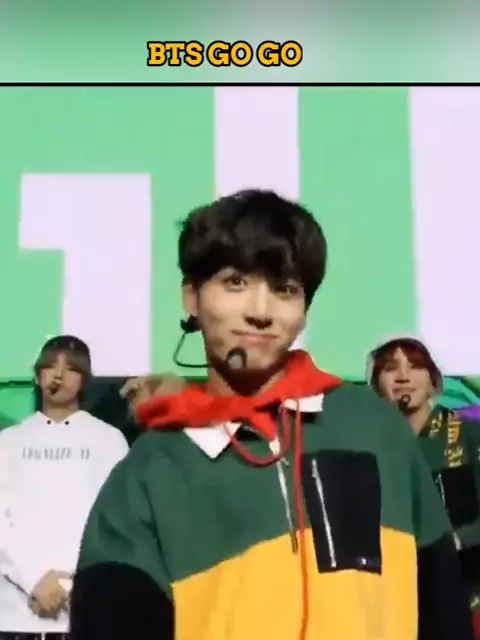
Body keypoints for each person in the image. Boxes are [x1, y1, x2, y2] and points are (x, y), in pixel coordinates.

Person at [71, 190, 473, 640]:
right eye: (235, 282)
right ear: (191, 296)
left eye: (285, 289)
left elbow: (442, 609)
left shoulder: (375, 429)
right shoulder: (150, 471)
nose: (260, 312)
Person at [0, 335, 129, 640]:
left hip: (86, 608)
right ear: (37, 375)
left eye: (71, 368)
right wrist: (32, 579)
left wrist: (72, 583)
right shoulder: (8, 441)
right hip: (16, 612)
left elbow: (118, 521)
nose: (58, 375)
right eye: (50, 366)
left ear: (84, 380)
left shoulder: (109, 440)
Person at [367, 334, 480, 637]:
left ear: (433, 382)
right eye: (391, 368)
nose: (403, 377)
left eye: (415, 366)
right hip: (397, 598)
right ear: (376, 385)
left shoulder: (469, 434)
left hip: (468, 591)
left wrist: (455, 541)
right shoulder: (368, 448)